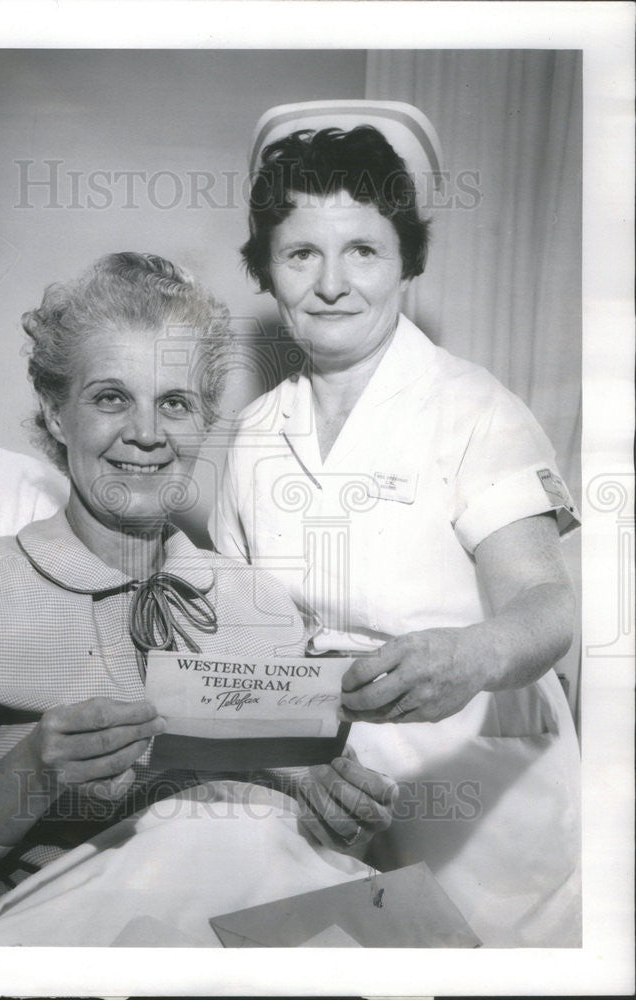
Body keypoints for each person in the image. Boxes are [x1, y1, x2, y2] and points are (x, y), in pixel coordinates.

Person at [0, 252, 397, 938]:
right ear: (57, 415)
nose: (148, 434)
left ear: (206, 422)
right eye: (111, 397)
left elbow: (293, 862)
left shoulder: (261, 605)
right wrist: (32, 773)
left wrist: (336, 809)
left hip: (240, 934)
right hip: (70, 935)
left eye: (175, 403)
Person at [210, 102, 582, 946]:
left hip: (473, 781)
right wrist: (287, 759)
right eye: (302, 252)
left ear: (407, 263)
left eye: (364, 250)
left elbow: (546, 605)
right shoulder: (251, 434)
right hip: (317, 764)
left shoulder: (478, 409)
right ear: (267, 271)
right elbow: (236, 642)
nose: (332, 282)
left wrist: (466, 655)